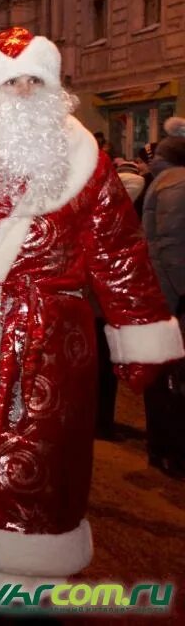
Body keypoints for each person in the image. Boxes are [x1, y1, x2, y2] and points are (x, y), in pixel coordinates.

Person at [0, 28, 183, 598]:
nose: (23, 92)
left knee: (51, 461)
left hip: (60, 340)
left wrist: (137, 331)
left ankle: (40, 569)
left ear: (53, 88)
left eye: (35, 81)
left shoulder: (86, 162)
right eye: (11, 82)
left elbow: (118, 248)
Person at [140, 133, 185, 479]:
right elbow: (170, 246)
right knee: (173, 375)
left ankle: (162, 446)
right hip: (171, 295)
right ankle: (170, 448)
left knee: (164, 372)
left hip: (161, 292)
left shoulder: (164, 182)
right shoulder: (175, 185)